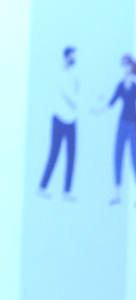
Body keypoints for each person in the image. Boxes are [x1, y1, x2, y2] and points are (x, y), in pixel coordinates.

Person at [95, 54, 136, 206]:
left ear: (130, 67)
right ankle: (117, 194)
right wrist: (99, 110)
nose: (125, 69)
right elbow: (112, 101)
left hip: (134, 125)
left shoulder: (135, 86)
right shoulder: (121, 86)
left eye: (126, 65)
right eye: (123, 66)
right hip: (122, 124)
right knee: (118, 156)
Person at [37, 46, 79, 200]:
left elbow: (77, 93)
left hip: (72, 120)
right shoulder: (59, 74)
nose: (75, 58)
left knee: (71, 156)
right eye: (73, 56)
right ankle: (42, 187)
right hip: (59, 119)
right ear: (66, 57)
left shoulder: (75, 74)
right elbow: (71, 96)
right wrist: (77, 101)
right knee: (54, 154)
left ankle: (67, 191)